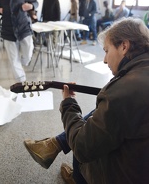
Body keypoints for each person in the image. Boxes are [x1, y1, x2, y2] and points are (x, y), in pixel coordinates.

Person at [24, 17, 149, 184]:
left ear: (124, 46)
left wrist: (68, 103)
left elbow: (82, 146)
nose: (105, 60)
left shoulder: (121, 93)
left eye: (106, 51)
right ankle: (55, 144)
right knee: (98, 116)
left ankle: (76, 177)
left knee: (79, 136)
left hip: (131, 173)